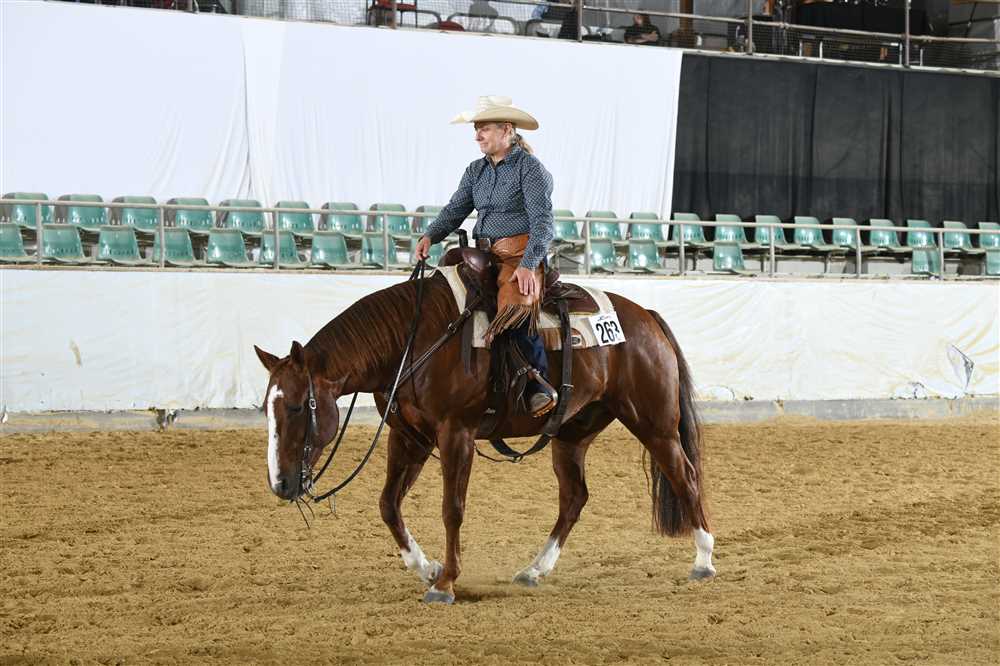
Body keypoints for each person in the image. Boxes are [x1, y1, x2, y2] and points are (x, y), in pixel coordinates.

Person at [414, 96, 558, 418]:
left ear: (506, 130)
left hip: (519, 254)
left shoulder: (530, 169)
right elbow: (455, 210)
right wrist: (430, 235)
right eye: (476, 129)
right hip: (481, 253)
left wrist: (528, 264)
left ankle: (536, 382)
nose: (477, 135)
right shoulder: (475, 170)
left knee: (515, 304)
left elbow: (543, 223)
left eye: (484, 129)